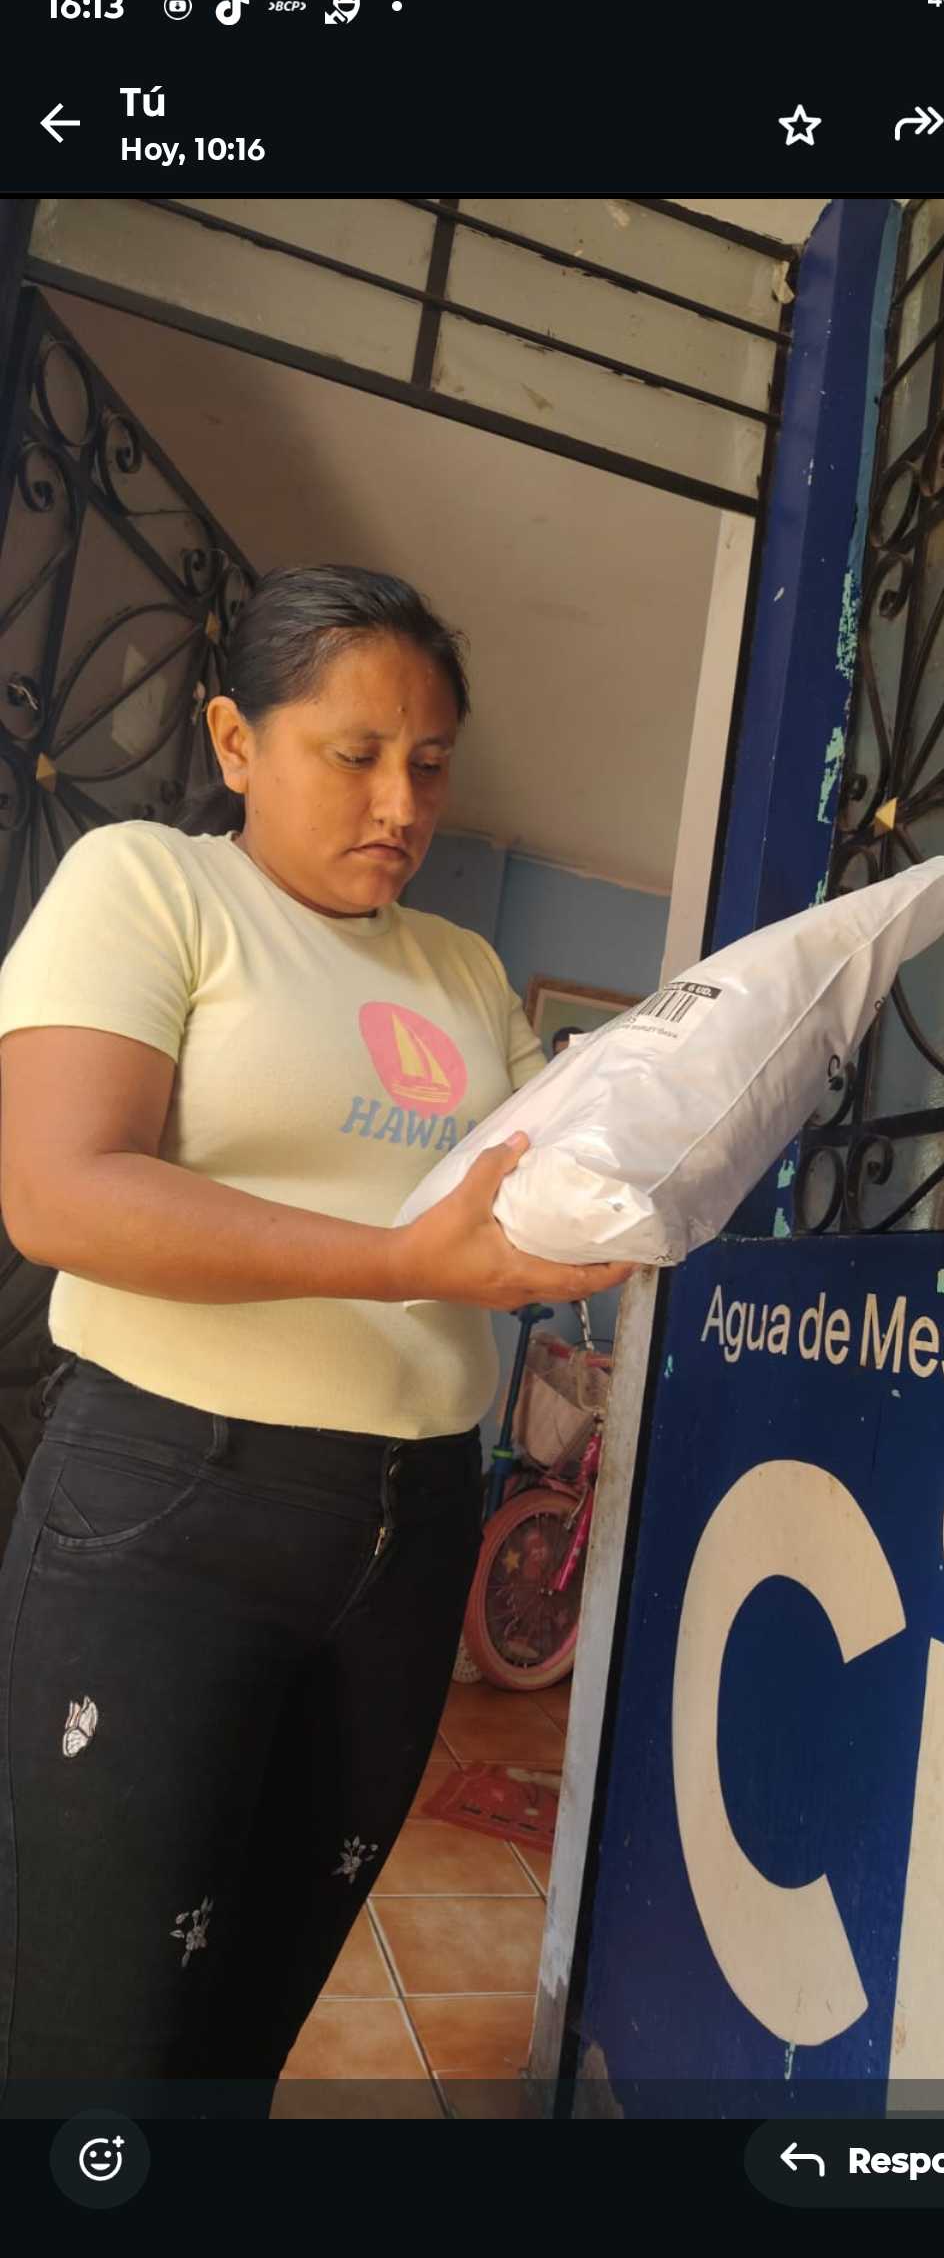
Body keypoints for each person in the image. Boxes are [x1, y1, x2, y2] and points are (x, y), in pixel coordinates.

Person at [0, 564, 636, 2113]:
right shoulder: (152, 887)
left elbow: (538, 1191)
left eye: (431, 763)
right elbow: (60, 1191)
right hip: (174, 1507)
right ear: (236, 741)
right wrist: (399, 1261)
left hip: (411, 1523)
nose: (400, 803)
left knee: (262, 1989)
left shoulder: (460, 968)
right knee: (97, 2019)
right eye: (354, 754)